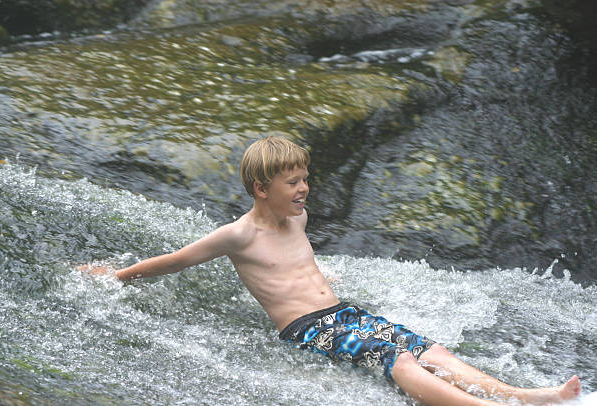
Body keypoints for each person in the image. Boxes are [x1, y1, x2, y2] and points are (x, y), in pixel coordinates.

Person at [80, 136, 581, 406]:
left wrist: (327, 283)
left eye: (305, 179)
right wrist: (118, 276)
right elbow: (176, 260)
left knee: (427, 349)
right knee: (398, 362)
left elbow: (300, 262)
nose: (303, 189)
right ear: (260, 187)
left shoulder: (299, 217)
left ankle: (526, 396)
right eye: (292, 181)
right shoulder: (238, 235)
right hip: (305, 330)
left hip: (342, 311)